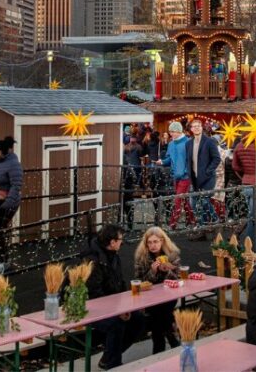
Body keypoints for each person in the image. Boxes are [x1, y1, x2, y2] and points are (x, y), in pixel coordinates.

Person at [82, 224, 145, 370]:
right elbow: (94, 294)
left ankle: (109, 356)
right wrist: (117, 311)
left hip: (114, 305)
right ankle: (114, 364)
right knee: (116, 324)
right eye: (120, 239)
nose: (121, 242)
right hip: (93, 309)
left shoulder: (113, 256)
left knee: (139, 320)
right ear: (112, 242)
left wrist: (126, 306)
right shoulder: (93, 261)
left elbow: (120, 283)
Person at [134, 227, 181, 353]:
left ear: (162, 241)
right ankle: (173, 341)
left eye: (155, 242)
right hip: (151, 297)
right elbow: (139, 281)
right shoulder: (142, 258)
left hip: (169, 295)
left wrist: (167, 271)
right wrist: (153, 272)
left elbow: (178, 278)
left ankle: (159, 348)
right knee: (160, 314)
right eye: (149, 242)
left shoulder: (172, 255)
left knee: (161, 313)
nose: (153, 245)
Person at [231, 125, 256, 243]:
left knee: (252, 215)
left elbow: (235, 166)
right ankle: (249, 246)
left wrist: (244, 174)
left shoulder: (239, 145)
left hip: (246, 183)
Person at [0, 136, 23, 267]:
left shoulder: (13, 164)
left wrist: (8, 203)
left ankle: (4, 259)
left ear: (0, 152)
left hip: (8, 202)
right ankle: (1, 257)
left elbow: (16, 185)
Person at [186, 118, 221, 237]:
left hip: (207, 178)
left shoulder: (209, 141)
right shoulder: (188, 143)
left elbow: (217, 158)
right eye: (194, 126)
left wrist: (208, 171)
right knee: (194, 203)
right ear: (191, 129)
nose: (196, 128)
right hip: (194, 178)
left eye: (198, 126)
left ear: (202, 127)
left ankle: (216, 221)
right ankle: (202, 227)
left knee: (205, 201)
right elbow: (189, 160)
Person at [160, 121, 196, 230]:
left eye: (173, 131)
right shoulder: (171, 144)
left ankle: (172, 225)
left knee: (177, 200)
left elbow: (192, 160)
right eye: (170, 131)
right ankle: (192, 221)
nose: (171, 134)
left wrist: (187, 171)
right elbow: (169, 159)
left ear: (179, 131)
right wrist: (162, 162)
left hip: (185, 176)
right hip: (175, 176)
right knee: (183, 200)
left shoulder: (188, 142)